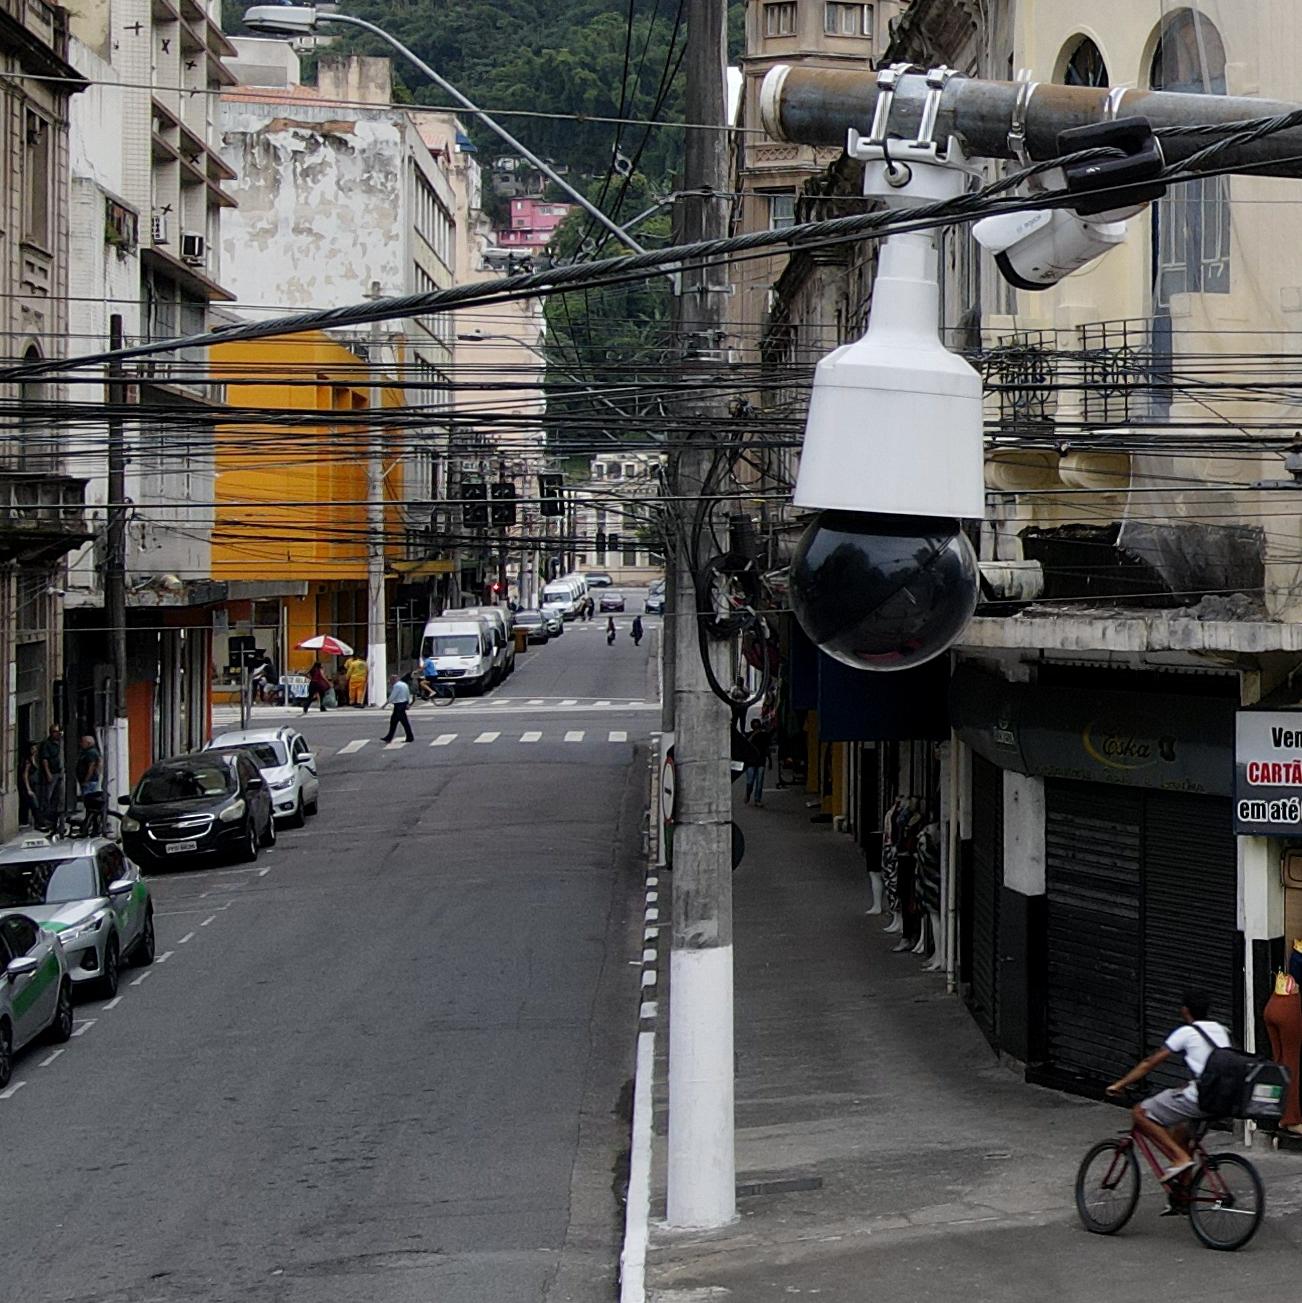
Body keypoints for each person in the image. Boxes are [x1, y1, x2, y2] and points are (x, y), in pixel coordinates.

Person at [1106, 990, 1231, 1181]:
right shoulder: (1221, 1030)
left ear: (1185, 1011)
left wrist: (1120, 1084)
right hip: (1223, 1098)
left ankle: (1179, 1158)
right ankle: (1182, 1198)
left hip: (1201, 1098)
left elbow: (1150, 1062)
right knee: (1181, 1135)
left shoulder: (1187, 1032)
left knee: (1140, 1112)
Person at [37, 724, 64, 829]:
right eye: (55, 732)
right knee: (46, 797)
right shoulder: (47, 744)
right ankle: (44, 820)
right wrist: (48, 773)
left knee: (58, 798)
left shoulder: (59, 743)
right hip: (51, 773)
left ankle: (55, 820)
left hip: (59, 772)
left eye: (58, 732)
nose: (57, 734)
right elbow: (45, 759)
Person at [75, 734, 105, 829]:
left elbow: (91, 767)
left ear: (88, 743)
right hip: (90, 781)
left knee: (90, 804)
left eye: (82, 742)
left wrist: (86, 780)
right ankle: (92, 823)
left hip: (90, 782)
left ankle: (91, 824)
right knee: (90, 804)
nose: (80, 744)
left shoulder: (91, 753)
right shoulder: (87, 752)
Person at [742, 719, 771, 807]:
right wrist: (754, 734)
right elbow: (746, 743)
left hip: (761, 760)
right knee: (750, 781)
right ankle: (748, 793)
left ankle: (757, 799)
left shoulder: (764, 735)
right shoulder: (749, 734)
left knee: (759, 781)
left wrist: (770, 760)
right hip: (750, 761)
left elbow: (767, 747)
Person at [381, 673, 414, 743]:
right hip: (403, 703)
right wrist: (408, 703)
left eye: (391, 681)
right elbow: (408, 694)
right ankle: (389, 737)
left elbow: (393, 696)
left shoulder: (397, 686)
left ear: (393, 680)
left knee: (399, 722)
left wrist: (385, 704)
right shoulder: (404, 684)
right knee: (398, 722)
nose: (390, 683)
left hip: (398, 705)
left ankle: (409, 737)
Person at [18, 742, 38, 827]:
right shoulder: (27, 761)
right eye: (33, 748)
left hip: (33, 784)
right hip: (27, 785)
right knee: (32, 803)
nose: (35, 750)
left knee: (31, 803)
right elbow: (25, 775)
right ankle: (25, 821)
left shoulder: (34, 758)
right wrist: (28, 788)